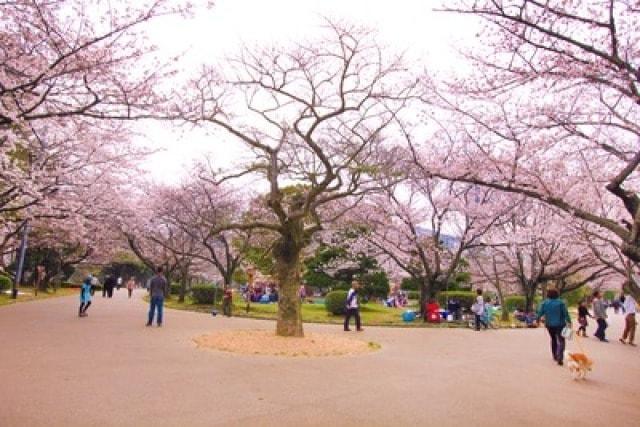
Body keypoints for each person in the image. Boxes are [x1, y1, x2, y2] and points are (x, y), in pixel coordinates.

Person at [536, 288, 571, 365]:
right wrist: (569, 322)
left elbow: (540, 313)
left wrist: (537, 320)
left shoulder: (544, 303)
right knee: (561, 340)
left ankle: (554, 355)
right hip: (560, 324)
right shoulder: (561, 303)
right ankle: (560, 357)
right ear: (557, 294)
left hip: (549, 325)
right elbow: (565, 313)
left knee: (553, 339)